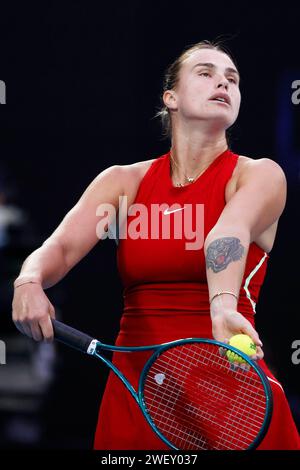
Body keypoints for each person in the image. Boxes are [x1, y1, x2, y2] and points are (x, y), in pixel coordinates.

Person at [12, 40, 300, 450]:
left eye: (232, 79)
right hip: (136, 390)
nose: (223, 82)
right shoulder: (122, 182)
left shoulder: (259, 176)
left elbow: (226, 234)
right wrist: (28, 281)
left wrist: (222, 306)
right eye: (206, 73)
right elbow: (57, 250)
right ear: (171, 97)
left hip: (230, 390)